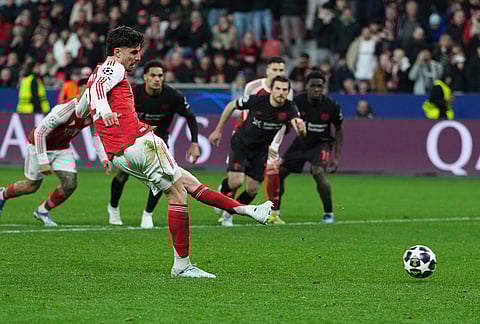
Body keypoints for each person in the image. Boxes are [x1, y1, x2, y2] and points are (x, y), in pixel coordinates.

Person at [82, 26, 272, 279]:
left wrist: (99, 126)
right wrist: (106, 112)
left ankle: (248, 210)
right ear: (117, 52)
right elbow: (97, 95)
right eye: (134, 52)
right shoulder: (114, 67)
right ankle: (182, 265)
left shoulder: (96, 73)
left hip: (121, 153)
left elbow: (86, 103)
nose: (138, 57)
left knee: (190, 183)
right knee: (178, 195)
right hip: (139, 142)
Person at [0, 79, 109, 225]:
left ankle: (42, 211)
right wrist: (43, 161)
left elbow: (95, 135)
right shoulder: (65, 109)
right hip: (39, 145)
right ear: (80, 90)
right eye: (87, 91)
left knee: (70, 183)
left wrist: (104, 158)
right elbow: (39, 133)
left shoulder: (94, 111)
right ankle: (3, 194)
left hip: (62, 149)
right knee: (31, 186)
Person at [107, 59, 200, 228]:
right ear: (145, 77)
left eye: (160, 75)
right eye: (153, 75)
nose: (157, 79)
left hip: (158, 142)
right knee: (122, 174)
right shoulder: (133, 94)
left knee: (162, 177)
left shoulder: (174, 96)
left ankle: (147, 214)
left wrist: (194, 142)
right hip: (132, 139)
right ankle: (113, 207)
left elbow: (190, 117)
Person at [209, 75, 306, 226]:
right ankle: (224, 194)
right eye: (278, 89)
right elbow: (231, 106)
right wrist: (218, 130)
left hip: (261, 151)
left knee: (253, 190)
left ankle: (229, 211)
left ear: (288, 92)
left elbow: (298, 127)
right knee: (236, 181)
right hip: (241, 144)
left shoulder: (290, 107)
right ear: (271, 90)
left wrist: (302, 130)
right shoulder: (257, 100)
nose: (281, 92)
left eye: (284, 90)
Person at [278, 72, 344, 224]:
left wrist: (336, 157)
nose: (316, 89)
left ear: (324, 87)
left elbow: (339, 129)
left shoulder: (331, 105)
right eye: (313, 85)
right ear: (306, 86)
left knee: (318, 171)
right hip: (301, 143)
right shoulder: (296, 102)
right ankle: (276, 210)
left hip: (321, 144)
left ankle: (328, 213)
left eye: (319, 86)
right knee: (279, 173)